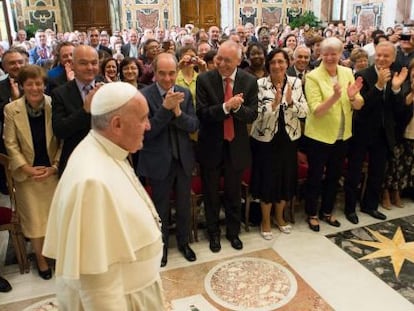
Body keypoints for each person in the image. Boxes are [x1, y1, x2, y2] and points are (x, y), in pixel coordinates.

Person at [43, 82, 165, 310]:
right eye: (143, 118)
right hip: (126, 300)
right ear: (117, 124)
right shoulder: (91, 182)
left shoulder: (109, 150)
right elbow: (96, 284)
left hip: (138, 291)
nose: (148, 126)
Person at [196, 40, 258, 252]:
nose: (221, 63)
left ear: (239, 61)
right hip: (211, 146)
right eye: (219, 58)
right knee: (211, 194)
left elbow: (252, 114)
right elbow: (202, 114)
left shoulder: (249, 81)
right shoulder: (205, 79)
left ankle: (233, 233)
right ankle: (213, 233)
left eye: (227, 60)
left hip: (236, 147)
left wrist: (236, 108)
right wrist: (225, 107)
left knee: (233, 193)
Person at [138, 53, 199, 267]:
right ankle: (161, 247)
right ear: (154, 73)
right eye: (162, 73)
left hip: (182, 159)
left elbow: (193, 125)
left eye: (172, 73)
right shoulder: (144, 96)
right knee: (160, 208)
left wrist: (178, 113)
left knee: (184, 205)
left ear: (177, 72)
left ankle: (184, 243)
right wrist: (165, 110)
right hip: (158, 160)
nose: (167, 78)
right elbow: (147, 133)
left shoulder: (184, 93)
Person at [4, 65, 61, 280]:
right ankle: (41, 258)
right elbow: (10, 143)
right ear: (22, 85)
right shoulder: (11, 109)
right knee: (35, 222)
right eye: (30, 84)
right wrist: (25, 167)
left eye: (39, 83)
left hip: (52, 173)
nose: (35, 88)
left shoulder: (54, 104)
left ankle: (56, 254)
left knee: (56, 218)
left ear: (44, 84)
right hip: (27, 176)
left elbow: (63, 139)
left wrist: (54, 166)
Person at [304, 37, 364, 231]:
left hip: (342, 135)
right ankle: (312, 213)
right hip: (319, 137)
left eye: (334, 53)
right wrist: (336, 96)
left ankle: (327, 212)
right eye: (326, 53)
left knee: (334, 176)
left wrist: (353, 96)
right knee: (315, 177)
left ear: (340, 54)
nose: (329, 57)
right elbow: (316, 110)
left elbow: (359, 104)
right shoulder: (313, 76)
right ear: (320, 54)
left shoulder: (347, 72)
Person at [344, 41, 407, 223]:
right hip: (362, 132)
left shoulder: (396, 76)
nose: (381, 59)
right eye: (378, 55)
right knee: (354, 172)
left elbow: (398, 110)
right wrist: (379, 86)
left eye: (386, 56)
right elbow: (361, 106)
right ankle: (350, 209)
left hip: (383, 133)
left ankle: (370, 205)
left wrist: (395, 90)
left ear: (393, 58)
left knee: (377, 172)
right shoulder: (363, 75)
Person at [250, 48, 308, 239]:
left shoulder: (296, 83)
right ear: (268, 64)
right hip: (266, 140)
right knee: (268, 180)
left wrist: (291, 103)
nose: (277, 66)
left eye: (281, 62)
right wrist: (273, 105)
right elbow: (255, 115)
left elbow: (305, 112)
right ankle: (265, 220)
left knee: (285, 178)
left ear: (287, 63)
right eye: (273, 62)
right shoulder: (259, 84)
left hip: (289, 138)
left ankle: (280, 217)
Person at [51, 45, 103, 174]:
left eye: (94, 63)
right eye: (83, 63)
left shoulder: (106, 87)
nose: (90, 68)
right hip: (75, 162)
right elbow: (60, 131)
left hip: (105, 159)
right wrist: (85, 110)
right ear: (72, 65)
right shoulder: (60, 93)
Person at [383, 59, 414, 209]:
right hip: (398, 131)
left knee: (405, 165)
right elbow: (399, 110)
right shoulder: (402, 85)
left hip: (411, 133)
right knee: (393, 165)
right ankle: (386, 193)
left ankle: (398, 191)